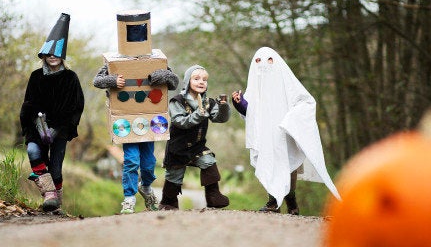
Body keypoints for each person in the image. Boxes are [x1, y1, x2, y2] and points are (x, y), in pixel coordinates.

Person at [231, 47, 341, 214]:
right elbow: (252, 113)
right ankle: (273, 202)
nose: (263, 65)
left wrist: (291, 121)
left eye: (269, 60)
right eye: (258, 61)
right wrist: (240, 104)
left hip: (285, 132)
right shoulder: (255, 90)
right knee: (269, 163)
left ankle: (291, 201)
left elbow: (307, 103)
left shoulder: (289, 84)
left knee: (288, 166)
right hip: (266, 136)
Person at [19, 13, 85, 212]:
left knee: (56, 167)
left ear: (62, 55)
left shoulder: (71, 78)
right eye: (49, 54)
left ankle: (56, 206)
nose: (53, 57)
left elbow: (76, 105)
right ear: (44, 55)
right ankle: (49, 193)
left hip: (61, 127)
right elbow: (28, 103)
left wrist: (61, 127)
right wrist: (31, 125)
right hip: (37, 125)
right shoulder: (36, 76)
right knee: (33, 151)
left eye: (56, 54)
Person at [93, 65, 179, 214]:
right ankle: (129, 198)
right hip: (126, 123)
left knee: (149, 163)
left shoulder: (154, 60)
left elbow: (174, 82)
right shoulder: (115, 62)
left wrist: (157, 77)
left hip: (149, 121)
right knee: (131, 160)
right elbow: (97, 81)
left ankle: (146, 187)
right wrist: (113, 80)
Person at [159, 65, 231, 210]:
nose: (201, 82)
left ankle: (214, 197)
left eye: (204, 79)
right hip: (178, 146)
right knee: (174, 175)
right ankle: (168, 202)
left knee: (209, 161)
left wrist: (223, 106)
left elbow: (219, 118)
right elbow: (180, 122)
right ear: (187, 81)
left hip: (197, 146)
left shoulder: (209, 102)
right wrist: (198, 114)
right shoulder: (177, 101)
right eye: (196, 78)